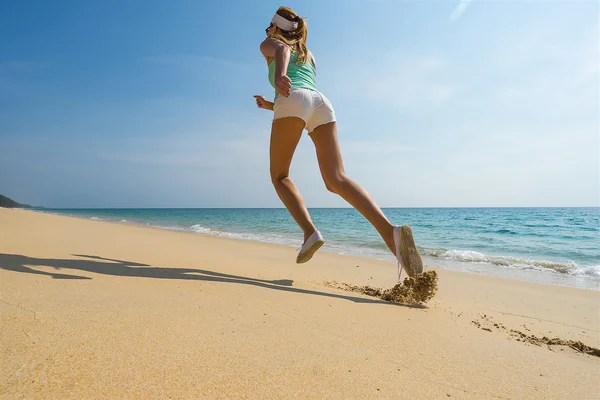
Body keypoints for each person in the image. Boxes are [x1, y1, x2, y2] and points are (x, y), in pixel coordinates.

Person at [253, 6, 423, 280]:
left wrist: (279, 75)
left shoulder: (271, 44)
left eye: (268, 28)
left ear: (276, 28)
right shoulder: (310, 55)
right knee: (336, 179)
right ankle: (390, 233)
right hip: (321, 104)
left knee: (280, 176)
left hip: (294, 99)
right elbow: (302, 98)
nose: (266, 32)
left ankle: (310, 233)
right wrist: (270, 104)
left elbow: (282, 56)